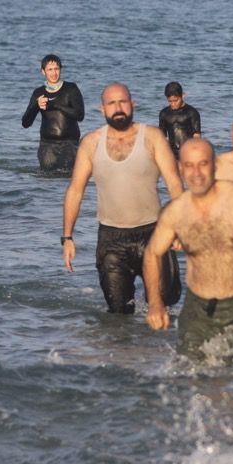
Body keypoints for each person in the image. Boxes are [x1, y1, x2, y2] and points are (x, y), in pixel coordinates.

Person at [61, 83, 185, 314]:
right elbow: (76, 190)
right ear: (102, 109)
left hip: (154, 234)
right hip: (111, 240)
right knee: (118, 314)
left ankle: (157, 338)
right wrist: (67, 237)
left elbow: (174, 183)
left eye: (123, 102)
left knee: (164, 304)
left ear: (132, 104)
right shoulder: (91, 143)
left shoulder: (152, 137)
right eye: (111, 103)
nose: (118, 108)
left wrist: (179, 227)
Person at [143, 138, 233, 356]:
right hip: (198, 309)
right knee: (188, 371)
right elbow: (152, 253)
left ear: (215, 165)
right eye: (189, 165)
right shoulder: (176, 212)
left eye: (203, 164)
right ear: (181, 169)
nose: (196, 173)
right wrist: (155, 303)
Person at [21, 53, 86, 174]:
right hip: (47, 146)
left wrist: (55, 105)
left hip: (70, 144)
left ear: (60, 69)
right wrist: (36, 105)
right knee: (47, 178)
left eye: (56, 69)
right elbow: (25, 123)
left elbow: (80, 115)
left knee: (67, 177)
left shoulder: (71, 88)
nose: (54, 73)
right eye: (50, 69)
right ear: (43, 71)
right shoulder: (39, 93)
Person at [158, 82, 201, 155]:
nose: (173, 104)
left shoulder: (192, 112)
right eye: (170, 101)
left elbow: (196, 135)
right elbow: (163, 136)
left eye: (176, 100)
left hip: (188, 151)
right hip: (171, 152)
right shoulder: (164, 113)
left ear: (183, 95)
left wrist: (195, 152)